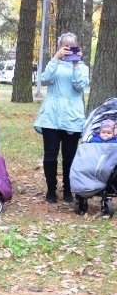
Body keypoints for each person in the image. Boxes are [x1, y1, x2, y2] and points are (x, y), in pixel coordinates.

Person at [34, 33, 91, 203]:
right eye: (64, 46)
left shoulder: (82, 67)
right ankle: (51, 189)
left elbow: (80, 85)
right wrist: (55, 59)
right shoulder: (54, 64)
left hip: (72, 117)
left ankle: (68, 189)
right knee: (50, 154)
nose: (67, 49)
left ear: (77, 48)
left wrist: (75, 64)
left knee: (69, 155)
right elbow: (44, 79)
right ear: (59, 47)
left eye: (71, 46)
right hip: (51, 115)